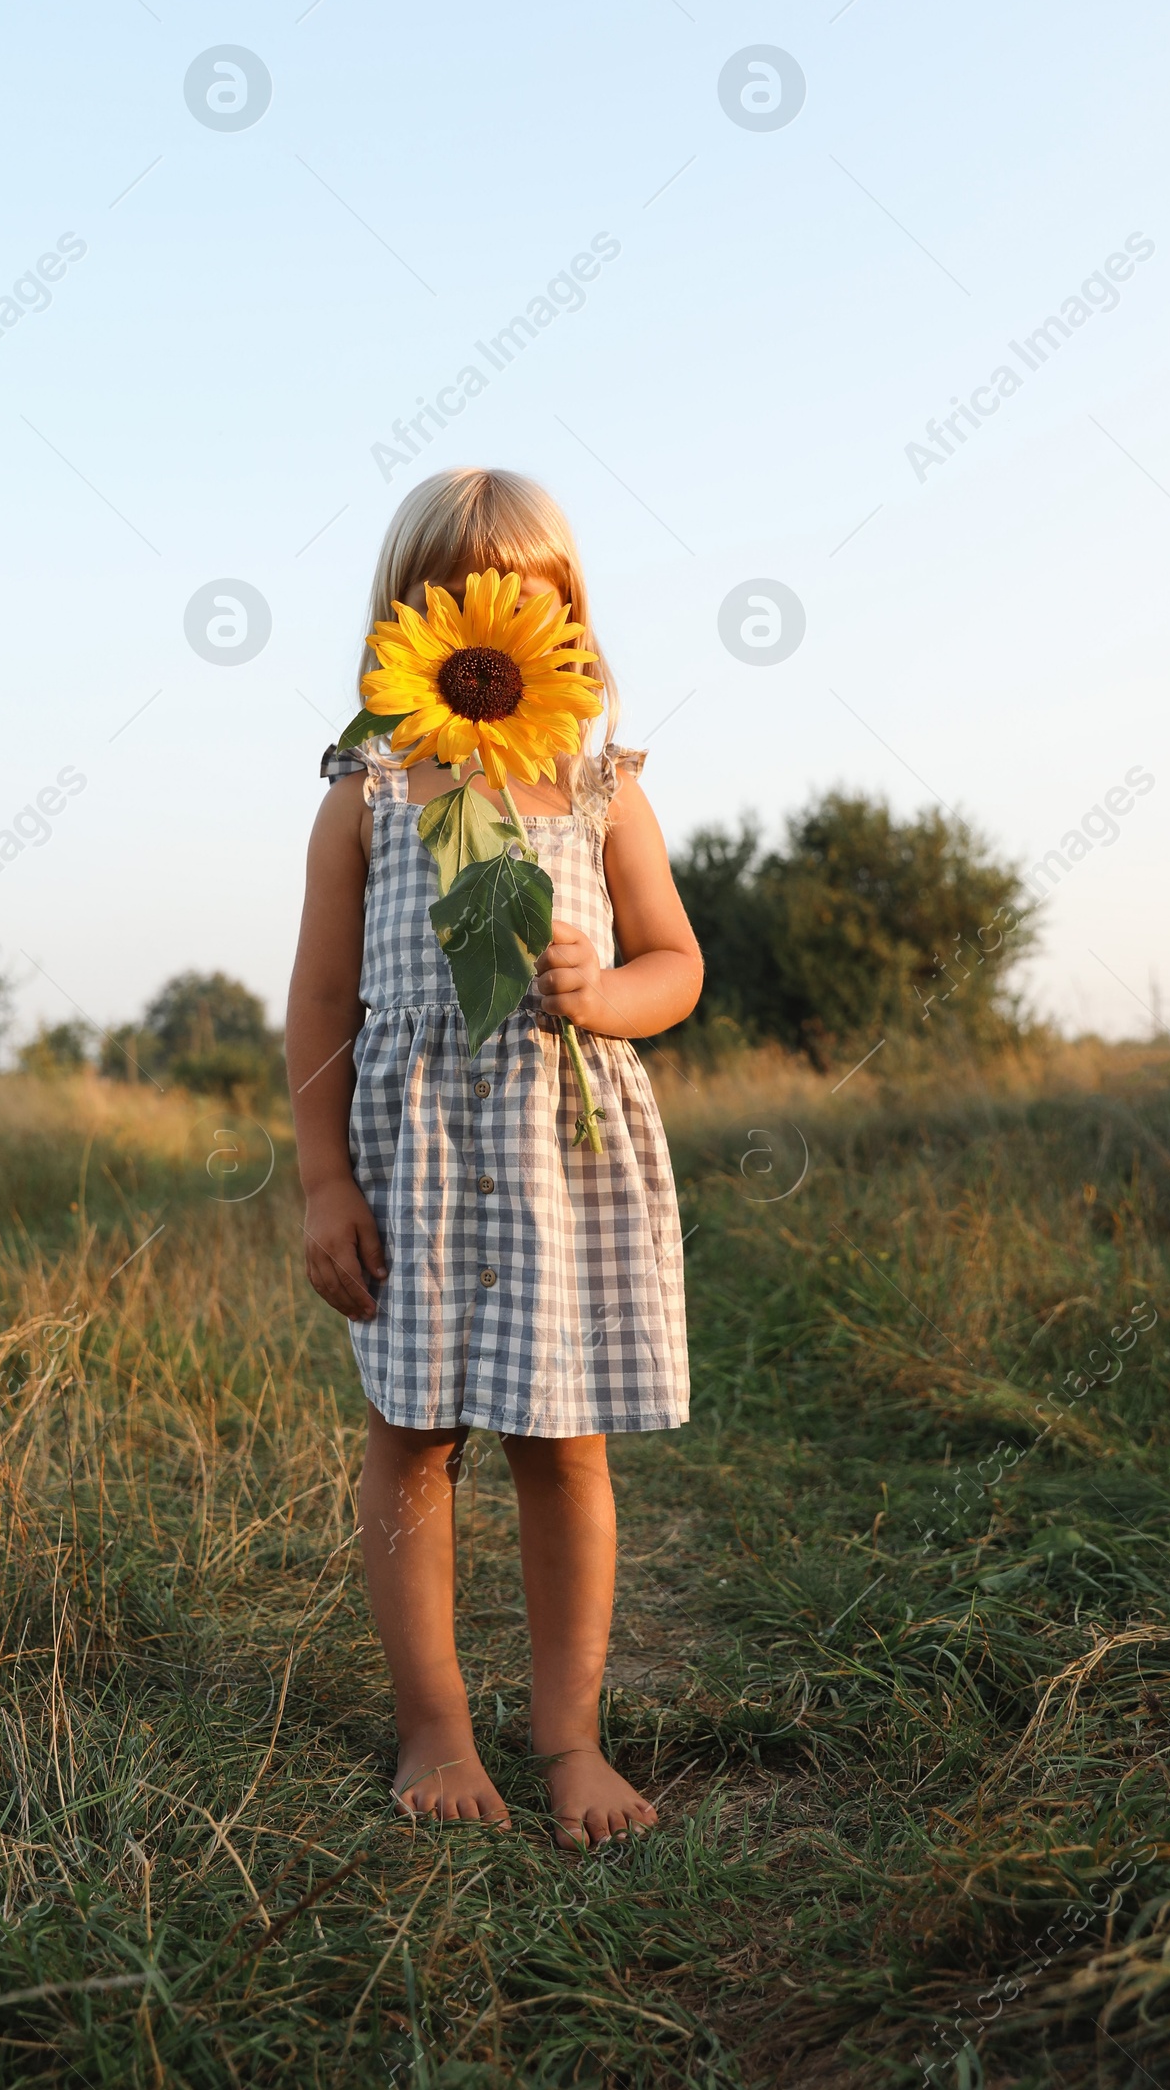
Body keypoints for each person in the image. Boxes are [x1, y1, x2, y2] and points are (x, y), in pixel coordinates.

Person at [286, 466, 702, 1849]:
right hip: (412, 1163)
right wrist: (324, 1181)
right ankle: (433, 1726)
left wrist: (607, 995)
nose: (497, 609)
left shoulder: (601, 786)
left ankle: (570, 1739)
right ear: (410, 619)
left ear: (565, 610)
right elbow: (323, 1003)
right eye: (458, 589)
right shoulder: (368, 790)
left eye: (528, 586)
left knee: (563, 1447)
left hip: (559, 1157)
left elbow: (677, 963)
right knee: (411, 1440)